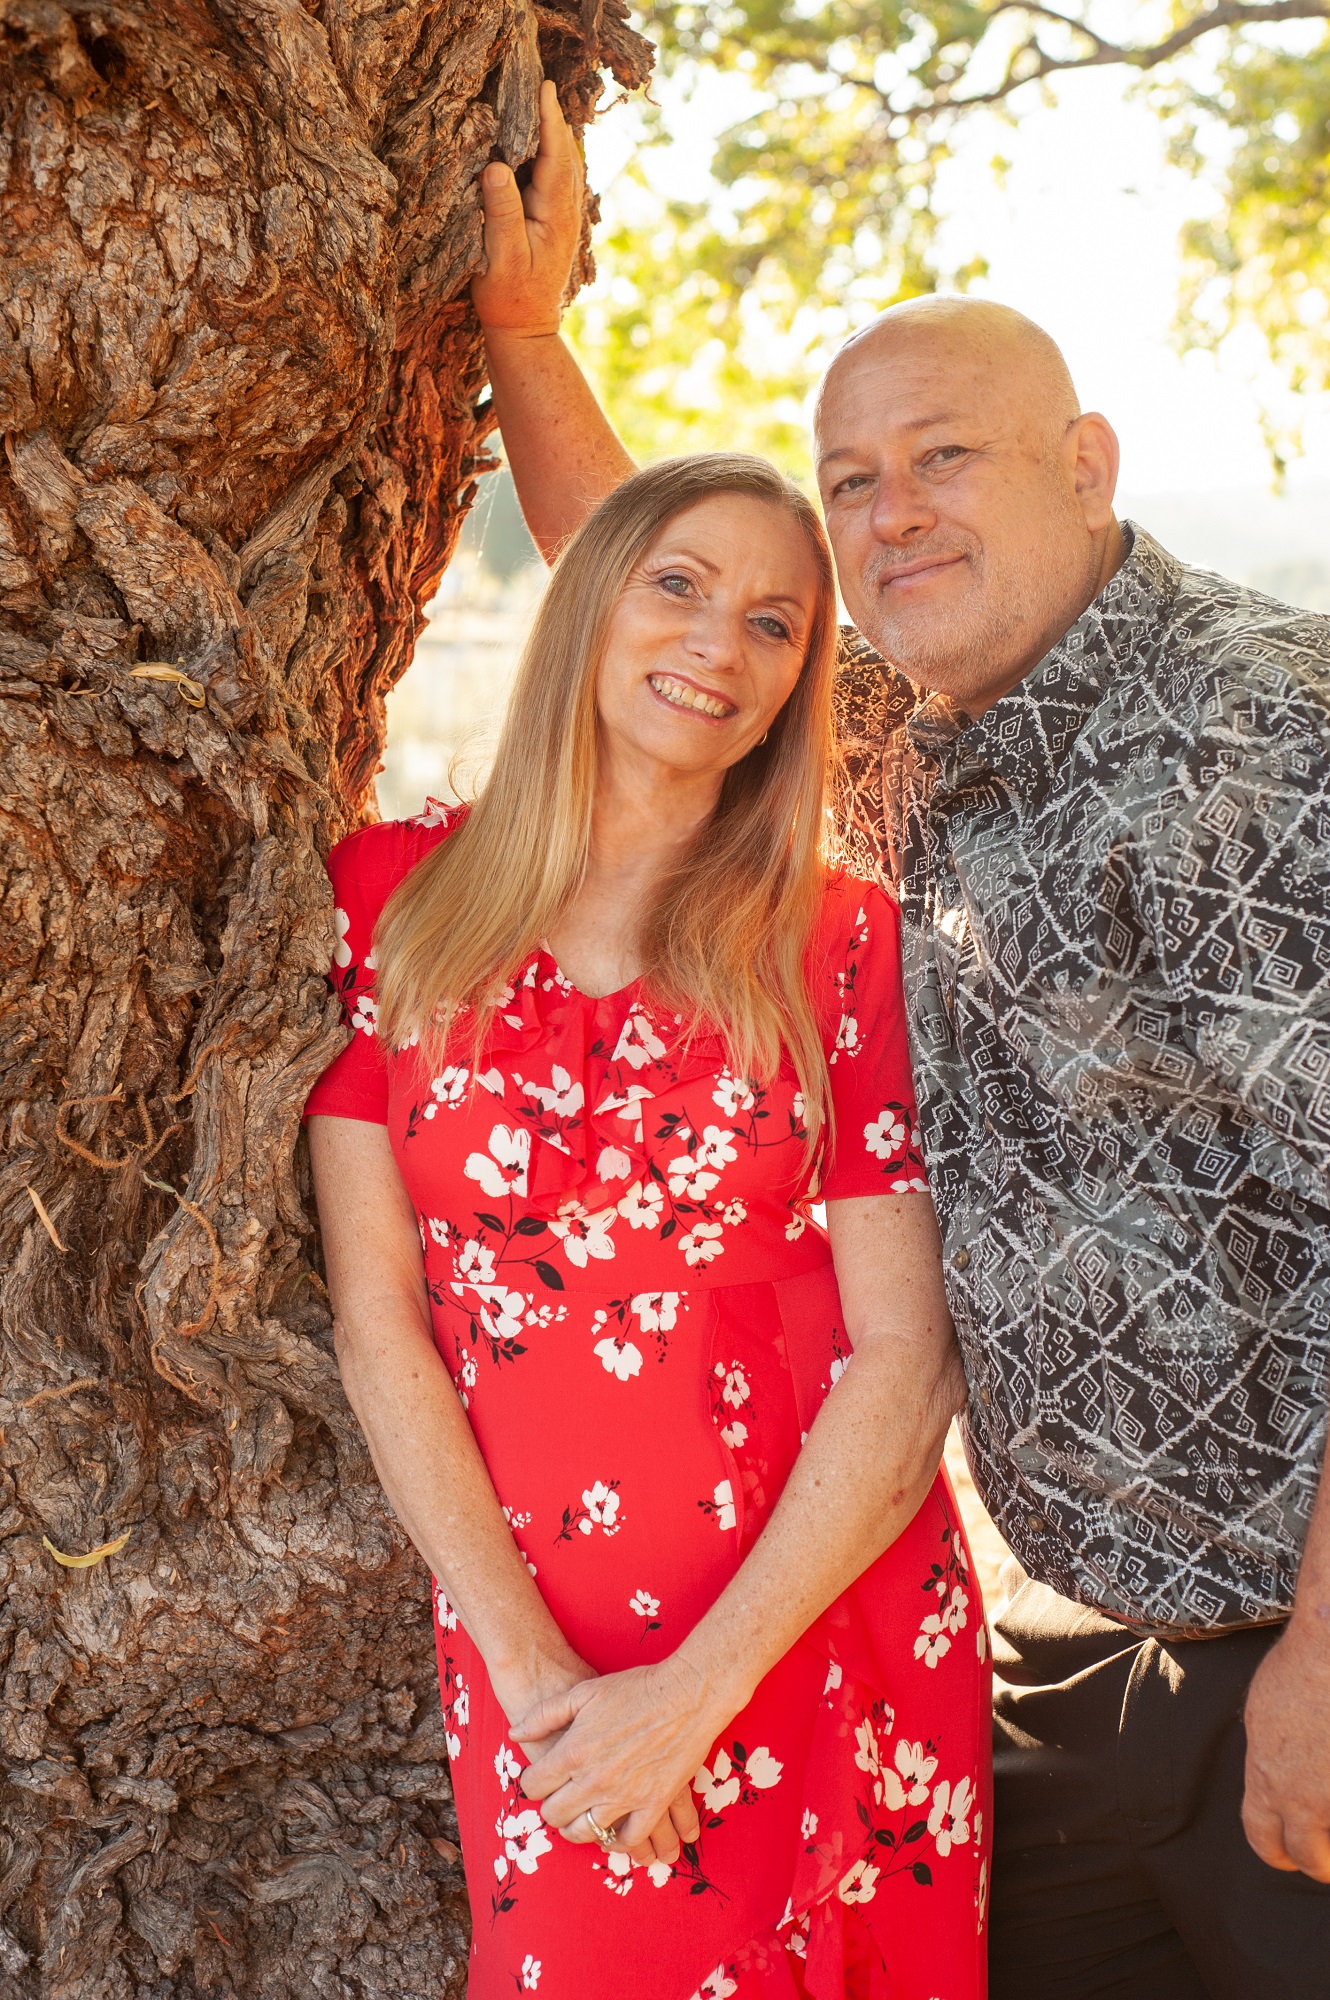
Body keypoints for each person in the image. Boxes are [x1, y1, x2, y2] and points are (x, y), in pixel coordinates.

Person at [466, 78, 1330, 2000]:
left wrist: (1324, 1675)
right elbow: (664, 618)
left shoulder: (1255, 743)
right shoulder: (946, 736)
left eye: (942, 455)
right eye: (850, 479)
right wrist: (521, 334)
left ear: (1085, 462)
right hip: (1076, 1665)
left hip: (1294, 1668)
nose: (885, 512)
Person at [305, 450, 991, 2000]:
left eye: (773, 623)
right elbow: (378, 1322)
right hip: (536, 1647)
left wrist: (699, 1691)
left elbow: (905, 1354)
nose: (717, 645)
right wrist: (541, 1681)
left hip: (816, 1616)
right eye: (678, 584)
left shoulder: (839, 939)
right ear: (590, 602)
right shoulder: (387, 901)